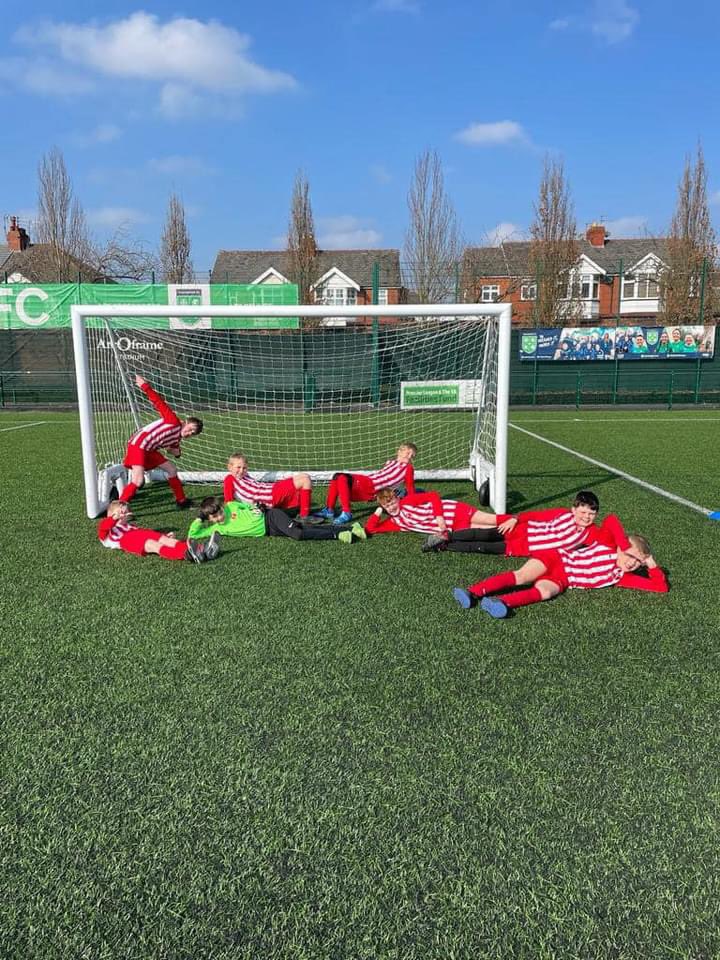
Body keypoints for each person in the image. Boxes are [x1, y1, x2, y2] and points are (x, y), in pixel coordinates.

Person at [452, 533, 667, 619]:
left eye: (637, 562)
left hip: (564, 579)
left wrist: (651, 563)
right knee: (523, 576)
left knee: (545, 592)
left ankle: (500, 602)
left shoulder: (620, 576)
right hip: (556, 558)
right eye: (631, 556)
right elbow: (611, 522)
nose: (632, 563)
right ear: (621, 547)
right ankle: (473, 592)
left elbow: (660, 587)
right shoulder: (607, 545)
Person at [422, 490, 630, 556]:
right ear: (574, 509)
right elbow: (537, 516)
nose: (586, 517)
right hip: (521, 530)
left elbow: (611, 521)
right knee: (483, 533)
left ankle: (444, 545)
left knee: (482, 547)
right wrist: (515, 518)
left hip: (522, 547)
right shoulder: (562, 513)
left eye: (591, 514)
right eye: (583, 512)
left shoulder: (590, 533)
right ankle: (446, 534)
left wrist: (625, 547)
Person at [119, 375, 202, 509]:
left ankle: (181, 501)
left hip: (150, 450)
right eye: (190, 429)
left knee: (172, 469)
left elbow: (172, 449)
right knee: (138, 480)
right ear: (185, 423)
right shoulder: (173, 421)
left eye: (193, 434)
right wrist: (145, 386)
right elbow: (159, 402)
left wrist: (177, 453)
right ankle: (119, 507)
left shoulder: (177, 438)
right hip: (138, 445)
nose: (190, 433)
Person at [188, 496, 367, 545]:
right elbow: (192, 535)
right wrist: (199, 517)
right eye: (214, 517)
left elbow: (250, 506)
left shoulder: (231, 506)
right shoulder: (217, 529)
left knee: (297, 534)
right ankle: (351, 528)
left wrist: (257, 508)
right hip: (270, 531)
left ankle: (340, 534)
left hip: (271, 516)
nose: (220, 517)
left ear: (221, 507)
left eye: (219, 512)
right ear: (210, 519)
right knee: (301, 526)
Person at [313, 443, 418, 525]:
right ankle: (329, 510)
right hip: (367, 483)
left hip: (371, 486)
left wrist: (413, 504)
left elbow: (410, 487)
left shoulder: (408, 468)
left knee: (341, 477)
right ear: (399, 451)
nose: (409, 457)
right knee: (337, 478)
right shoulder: (390, 462)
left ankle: (346, 513)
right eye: (407, 453)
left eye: (412, 456)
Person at [98, 500, 219, 563]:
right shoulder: (109, 531)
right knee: (153, 545)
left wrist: (164, 535)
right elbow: (103, 527)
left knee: (165, 540)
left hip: (141, 533)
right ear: (111, 515)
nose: (124, 514)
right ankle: (185, 554)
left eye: (126, 511)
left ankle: (203, 550)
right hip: (126, 540)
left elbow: (144, 532)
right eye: (121, 512)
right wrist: (114, 518)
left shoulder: (131, 526)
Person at [364, 487, 490, 538]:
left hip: (452, 512)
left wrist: (439, 518)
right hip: (453, 528)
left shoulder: (407, 501)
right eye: (387, 506)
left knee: (490, 520)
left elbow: (433, 496)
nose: (391, 507)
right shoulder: (394, 522)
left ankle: (510, 519)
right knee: (489, 529)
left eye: (392, 503)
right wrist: (378, 511)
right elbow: (371, 528)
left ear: (397, 498)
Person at [223, 453, 312, 518]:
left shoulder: (245, 476)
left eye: (244, 468)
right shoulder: (229, 479)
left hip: (271, 489)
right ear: (230, 467)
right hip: (269, 496)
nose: (242, 470)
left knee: (305, 476)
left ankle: (301, 511)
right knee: (305, 480)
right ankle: (304, 516)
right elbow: (229, 502)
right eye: (238, 467)